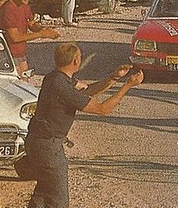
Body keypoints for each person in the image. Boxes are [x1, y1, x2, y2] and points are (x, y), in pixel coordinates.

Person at [23, 42, 143, 207]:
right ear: (75, 62)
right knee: (57, 201)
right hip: (48, 147)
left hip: (37, 142)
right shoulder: (63, 87)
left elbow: (86, 91)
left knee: (43, 194)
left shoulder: (54, 77)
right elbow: (103, 109)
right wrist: (128, 85)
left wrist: (114, 77)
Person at [0, 0, 60, 79]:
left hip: (21, 53)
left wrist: (44, 30)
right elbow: (15, 37)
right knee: (17, 85)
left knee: (25, 82)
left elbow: (31, 24)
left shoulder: (24, 6)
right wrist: (41, 34)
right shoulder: (8, 9)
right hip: (9, 54)